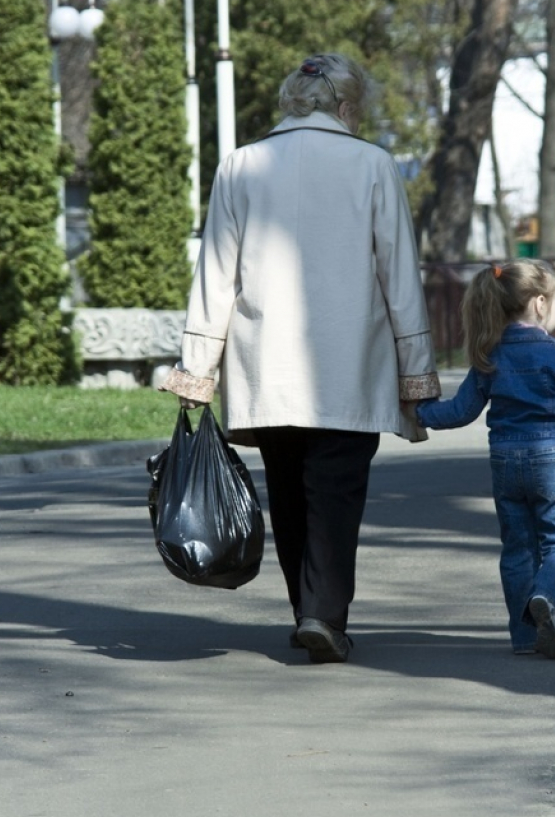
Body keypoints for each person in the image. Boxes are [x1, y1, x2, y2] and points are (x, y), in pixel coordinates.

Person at [161, 53, 440, 663]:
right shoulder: (373, 164)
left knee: (288, 493)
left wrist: (197, 369)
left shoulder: (239, 166)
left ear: (293, 101)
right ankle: (323, 613)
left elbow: (215, 276)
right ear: (345, 107)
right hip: (349, 367)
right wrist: (415, 371)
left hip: (265, 369)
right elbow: (400, 277)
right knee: (336, 493)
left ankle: (307, 610)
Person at [415, 259, 555, 659]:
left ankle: (525, 637)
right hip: (552, 460)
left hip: (505, 461)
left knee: (518, 548)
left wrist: (418, 414)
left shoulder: (489, 355)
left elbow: (461, 411)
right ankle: (546, 598)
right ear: (541, 303)